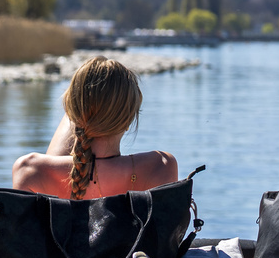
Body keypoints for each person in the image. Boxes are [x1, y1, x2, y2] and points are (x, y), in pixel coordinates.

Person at [12, 56, 178, 199]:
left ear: (73, 115)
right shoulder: (160, 166)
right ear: (128, 121)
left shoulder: (29, 169)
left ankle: (85, 99)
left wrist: (81, 104)